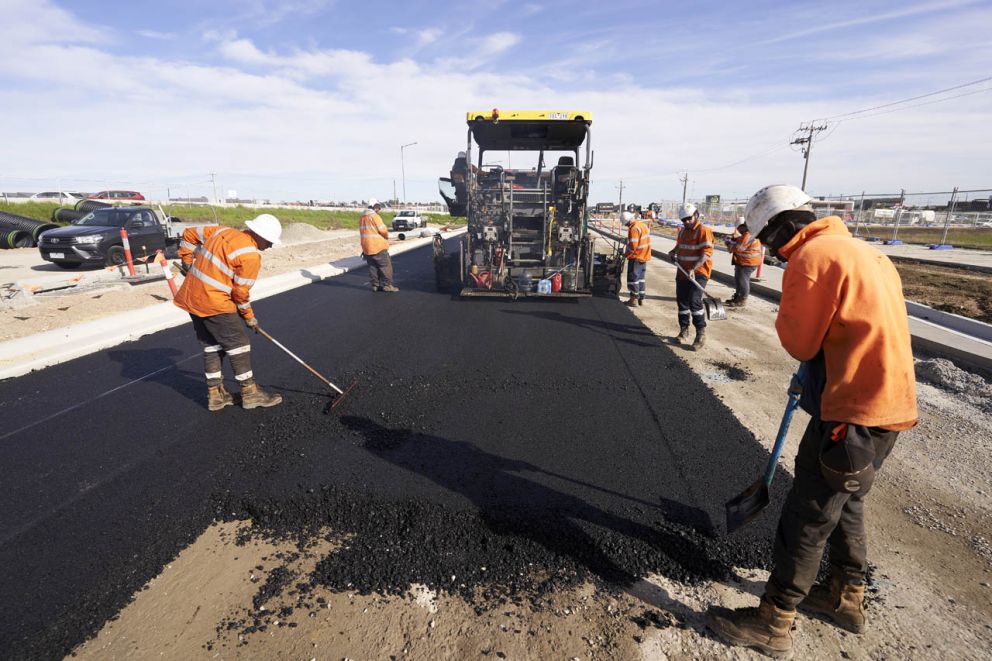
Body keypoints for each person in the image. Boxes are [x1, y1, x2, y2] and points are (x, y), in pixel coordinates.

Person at [706, 185, 918, 658]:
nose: (773, 252)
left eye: (769, 239)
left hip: (852, 411)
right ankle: (845, 597)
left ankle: (773, 621)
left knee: (809, 513)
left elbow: (800, 343)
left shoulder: (812, 258)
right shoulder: (867, 252)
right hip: (891, 405)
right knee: (849, 502)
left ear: (782, 229)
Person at [174, 214, 284, 411]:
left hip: (192, 298)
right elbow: (240, 294)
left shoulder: (221, 231)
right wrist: (249, 318)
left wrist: (187, 260)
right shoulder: (250, 255)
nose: (270, 246)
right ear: (259, 236)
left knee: (212, 346)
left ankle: (216, 396)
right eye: (269, 241)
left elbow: (189, 233)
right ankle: (250, 393)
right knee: (238, 345)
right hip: (215, 304)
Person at [667, 203, 713, 349]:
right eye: (683, 220)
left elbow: (706, 254)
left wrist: (693, 269)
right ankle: (683, 330)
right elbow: (680, 245)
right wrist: (673, 252)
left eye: (689, 218)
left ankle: (700, 333)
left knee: (694, 301)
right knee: (682, 303)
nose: (686, 222)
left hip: (698, 273)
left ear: (696, 215)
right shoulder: (682, 231)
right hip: (682, 272)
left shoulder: (703, 231)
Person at [360, 198, 398, 292]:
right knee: (385, 266)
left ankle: (375, 285)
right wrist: (386, 236)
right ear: (375, 207)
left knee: (372, 267)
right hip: (378, 246)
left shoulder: (362, 218)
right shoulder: (375, 216)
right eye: (378, 207)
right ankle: (387, 285)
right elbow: (383, 230)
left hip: (366, 247)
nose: (379, 209)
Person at [724, 217, 762, 308]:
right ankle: (737, 296)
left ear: (744, 226)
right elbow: (740, 241)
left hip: (749, 263)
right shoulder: (746, 234)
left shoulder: (748, 235)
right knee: (738, 279)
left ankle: (743, 299)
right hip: (743, 262)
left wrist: (729, 243)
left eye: (739, 228)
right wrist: (732, 239)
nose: (738, 230)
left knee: (743, 280)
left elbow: (738, 248)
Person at [622, 210, 650, 306]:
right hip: (644, 256)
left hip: (636, 257)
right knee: (641, 278)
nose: (626, 226)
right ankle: (641, 298)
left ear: (628, 221)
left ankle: (633, 299)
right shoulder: (642, 225)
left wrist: (626, 254)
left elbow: (633, 246)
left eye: (626, 224)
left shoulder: (634, 228)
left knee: (633, 278)